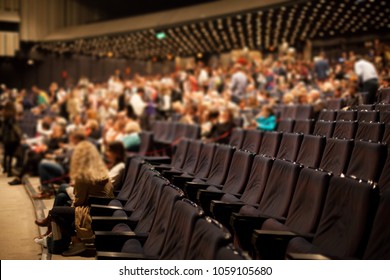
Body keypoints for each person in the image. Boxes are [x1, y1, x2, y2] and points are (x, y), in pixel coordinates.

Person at [35, 140, 114, 256]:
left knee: (55, 212)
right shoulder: (101, 169)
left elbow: (79, 201)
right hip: (103, 209)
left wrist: (74, 197)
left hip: (92, 212)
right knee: (62, 197)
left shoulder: (84, 174)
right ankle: (53, 237)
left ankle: (75, 242)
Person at [32, 129, 86, 199]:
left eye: (72, 137)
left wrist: (54, 156)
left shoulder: (79, 146)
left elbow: (67, 156)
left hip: (65, 169)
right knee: (43, 166)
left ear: (76, 139)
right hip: (62, 165)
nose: (70, 139)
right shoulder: (74, 145)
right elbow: (65, 154)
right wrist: (63, 150)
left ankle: (46, 190)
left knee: (43, 163)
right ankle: (45, 190)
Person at [1, 101, 23, 176]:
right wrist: (19, 136)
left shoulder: (4, 115)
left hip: (5, 137)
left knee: (6, 153)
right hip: (12, 138)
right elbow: (14, 128)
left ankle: (5, 169)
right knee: (10, 154)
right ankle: (9, 171)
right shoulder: (12, 116)